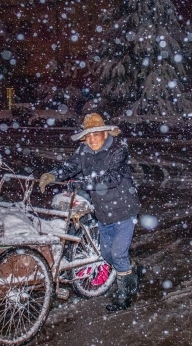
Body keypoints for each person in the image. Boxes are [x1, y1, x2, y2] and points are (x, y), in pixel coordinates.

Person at [39, 113, 142, 312]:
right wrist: (53, 174)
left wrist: (83, 183)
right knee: (106, 253)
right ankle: (130, 270)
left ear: (105, 133)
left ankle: (125, 295)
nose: (92, 139)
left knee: (118, 253)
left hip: (124, 210)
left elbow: (111, 178)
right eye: (88, 136)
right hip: (103, 211)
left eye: (96, 134)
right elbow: (71, 166)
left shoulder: (118, 150)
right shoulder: (83, 151)